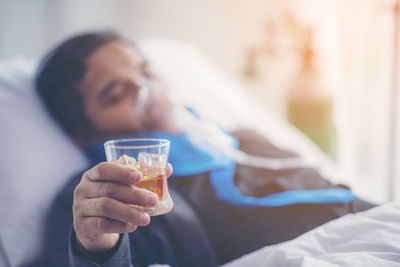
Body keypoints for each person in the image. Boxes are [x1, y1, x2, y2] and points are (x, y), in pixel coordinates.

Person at [31, 31, 375, 267]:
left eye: (144, 70)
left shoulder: (245, 142)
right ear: (83, 133)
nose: (145, 88)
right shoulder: (99, 202)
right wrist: (97, 248)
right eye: (116, 93)